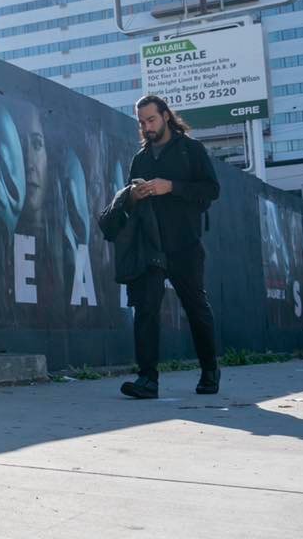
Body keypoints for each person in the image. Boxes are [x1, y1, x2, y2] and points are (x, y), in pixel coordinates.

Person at [119, 95, 222, 400]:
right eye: (141, 122)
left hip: (184, 244)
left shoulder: (192, 150)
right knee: (146, 311)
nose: (147, 127)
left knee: (196, 307)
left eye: (151, 119)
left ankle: (209, 371)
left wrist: (171, 186)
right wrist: (135, 195)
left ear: (165, 116)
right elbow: (128, 201)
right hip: (149, 245)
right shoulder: (140, 158)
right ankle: (147, 380)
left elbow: (211, 190)